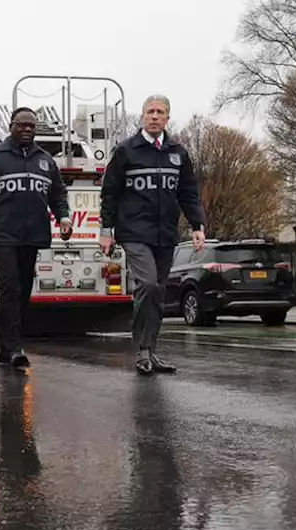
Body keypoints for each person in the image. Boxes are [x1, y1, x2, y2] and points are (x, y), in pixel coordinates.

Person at [99, 94, 206, 375]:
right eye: (150, 112)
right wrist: (106, 231)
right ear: (142, 116)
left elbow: (188, 193)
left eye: (160, 112)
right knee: (146, 284)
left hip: (165, 234)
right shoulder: (126, 151)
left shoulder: (178, 154)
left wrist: (197, 226)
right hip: (134, 232)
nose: (155, 116)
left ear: (168, 118)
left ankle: (152, 351)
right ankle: (142, 350)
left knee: (158, 292)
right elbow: (110, 193)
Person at [0, 108, 71, 369]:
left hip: (32, 236)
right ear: (11, 126)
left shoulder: (45, 161)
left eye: (31, 126)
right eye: (22, 125)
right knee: (9, 288)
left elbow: (57, 194)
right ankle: (14, 347)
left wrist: (64, 218)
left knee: (23, 291)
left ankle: (6, 346)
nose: (27, 129)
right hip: (2, 235)